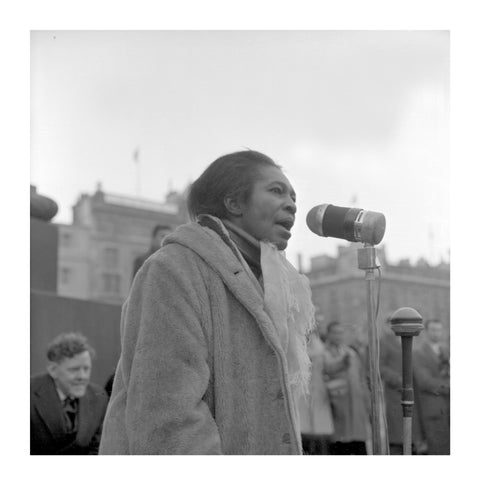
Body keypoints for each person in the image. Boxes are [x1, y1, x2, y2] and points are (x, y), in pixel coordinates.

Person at [99, 150, 316, 454]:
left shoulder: (269, 283)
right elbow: (169, 417)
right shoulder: (173, 268)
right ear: (233, 202)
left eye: (293, 195)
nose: (292, 204)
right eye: (276, 190)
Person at [30, 333, 109, 454]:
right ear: (53, 370)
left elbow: (97, 448)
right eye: (74, 370)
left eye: (86, 369)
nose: (82, 377)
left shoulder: (99, 397)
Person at [323, 321, 371, 454]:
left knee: (359, 444)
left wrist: (367, 403)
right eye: (335, 332)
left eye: (341, 332)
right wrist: (342, 361)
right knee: (340, 445)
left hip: (356, 405)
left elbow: (361, 378)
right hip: (337, 406)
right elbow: (328, 368)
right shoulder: (323, 353)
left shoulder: (351, 353)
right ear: (328, 334)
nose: (339, 336)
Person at [379, 318, 424, 454]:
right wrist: (397, 379)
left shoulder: (409, 339)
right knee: (397, 430)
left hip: (412, 388)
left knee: (412, 426)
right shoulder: (384, 342)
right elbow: (380, 367)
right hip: (395, 391)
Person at [413, 318, 450, 454]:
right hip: (433, 410)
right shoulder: (418, 353)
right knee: (439, 451)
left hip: (449, 409)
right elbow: (425, 382)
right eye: (433, 330)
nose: (436, 333)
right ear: (426, 332)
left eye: (439, 330)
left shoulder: (447, 350)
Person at [298, 326, 334, 454]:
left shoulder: (320, 349)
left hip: (318, 389)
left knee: (319, 426)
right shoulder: (297, 347)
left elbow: (329, 367)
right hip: (301, 389)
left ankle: (319, 451)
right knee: (302, 422)